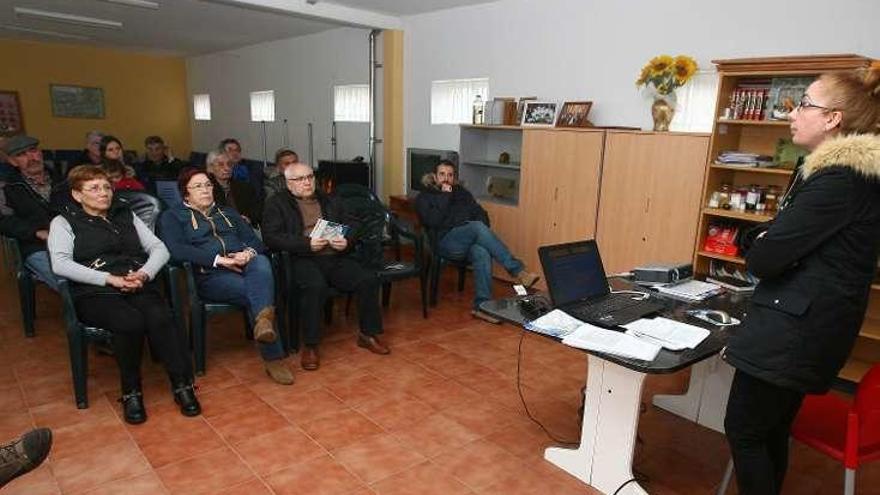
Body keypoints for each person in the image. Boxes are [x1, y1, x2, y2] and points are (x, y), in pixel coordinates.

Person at [722, 67, 880, 495]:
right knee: (771, 430)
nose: (793, 112)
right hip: (804, 328)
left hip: (793, 335)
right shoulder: (827, 173)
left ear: (833, 119)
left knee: (745, 431)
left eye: (805, 103)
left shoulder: (840, 181)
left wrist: (766, 242)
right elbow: (772, 235)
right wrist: (767, 238)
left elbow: (766, 257)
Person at [48, 165, 199, 424]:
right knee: (129, 321)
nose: (103, 193)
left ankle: (182, 384)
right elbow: (60, 264)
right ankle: (131, 392)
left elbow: (158, 248)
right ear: (77, 194)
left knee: (160, 315)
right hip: (95, 290)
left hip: (135, 282)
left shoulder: (124, 214)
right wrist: (109, 279)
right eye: (94, 188)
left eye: (107, 187)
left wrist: (144, 274)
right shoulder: (63, 221)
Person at [160, 167, 294, 385]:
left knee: (260, 260)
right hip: (211, 276)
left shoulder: (228, 212)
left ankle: (263, 324)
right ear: (186, 193)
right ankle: (274, 358)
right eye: (198, 186)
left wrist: (246, 254)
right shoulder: (172, 216)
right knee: (259, 293)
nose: (205, 190)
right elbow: (177, 250)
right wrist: (220, 260)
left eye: (208, 185)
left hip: (245, 267)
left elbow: (256, 243)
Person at [262, 161, 390, 371]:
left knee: (368, 279)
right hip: (301, 258)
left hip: (333, 256)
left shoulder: (328, 198)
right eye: (300, 179)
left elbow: (354, 223)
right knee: (315, 286)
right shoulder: (277, 203)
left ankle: (368, 335)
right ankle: (311, 346)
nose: (307, 182)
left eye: (310, 177)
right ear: (289, 183)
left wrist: (346, 240)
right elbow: (271, 237)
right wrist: (306, 243)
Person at [415, 160, 539, 321]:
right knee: (476, 227)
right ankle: (517, 271)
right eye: (442, 174)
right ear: (434, 176)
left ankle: (482, 307)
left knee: (481, 251)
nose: (446, 178)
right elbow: (433, 221)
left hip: (466, 239)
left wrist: (475, 229)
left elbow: (481, 213)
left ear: (454, 177)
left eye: (450, 175)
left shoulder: (462, 193)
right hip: (444, 242)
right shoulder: (424, 196)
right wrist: (446, 197)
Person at [0, 135, 67, 291]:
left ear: (41, 153)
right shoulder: (7, 188)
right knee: (66, 282)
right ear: (12, 162)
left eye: (33, 151)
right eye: (21, 155)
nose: (31, 158)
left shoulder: (63, 180)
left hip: (74, 240)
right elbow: (4, 222)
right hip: (38, 246)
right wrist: (36, 232)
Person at [205, 150, 261, 226]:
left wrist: (249, 218)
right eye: (221, 165)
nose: (227, 168)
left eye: (229, 164)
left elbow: (256, 210)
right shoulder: (206, 190)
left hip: (245, 227)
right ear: (210, 168)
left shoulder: (245, 187)